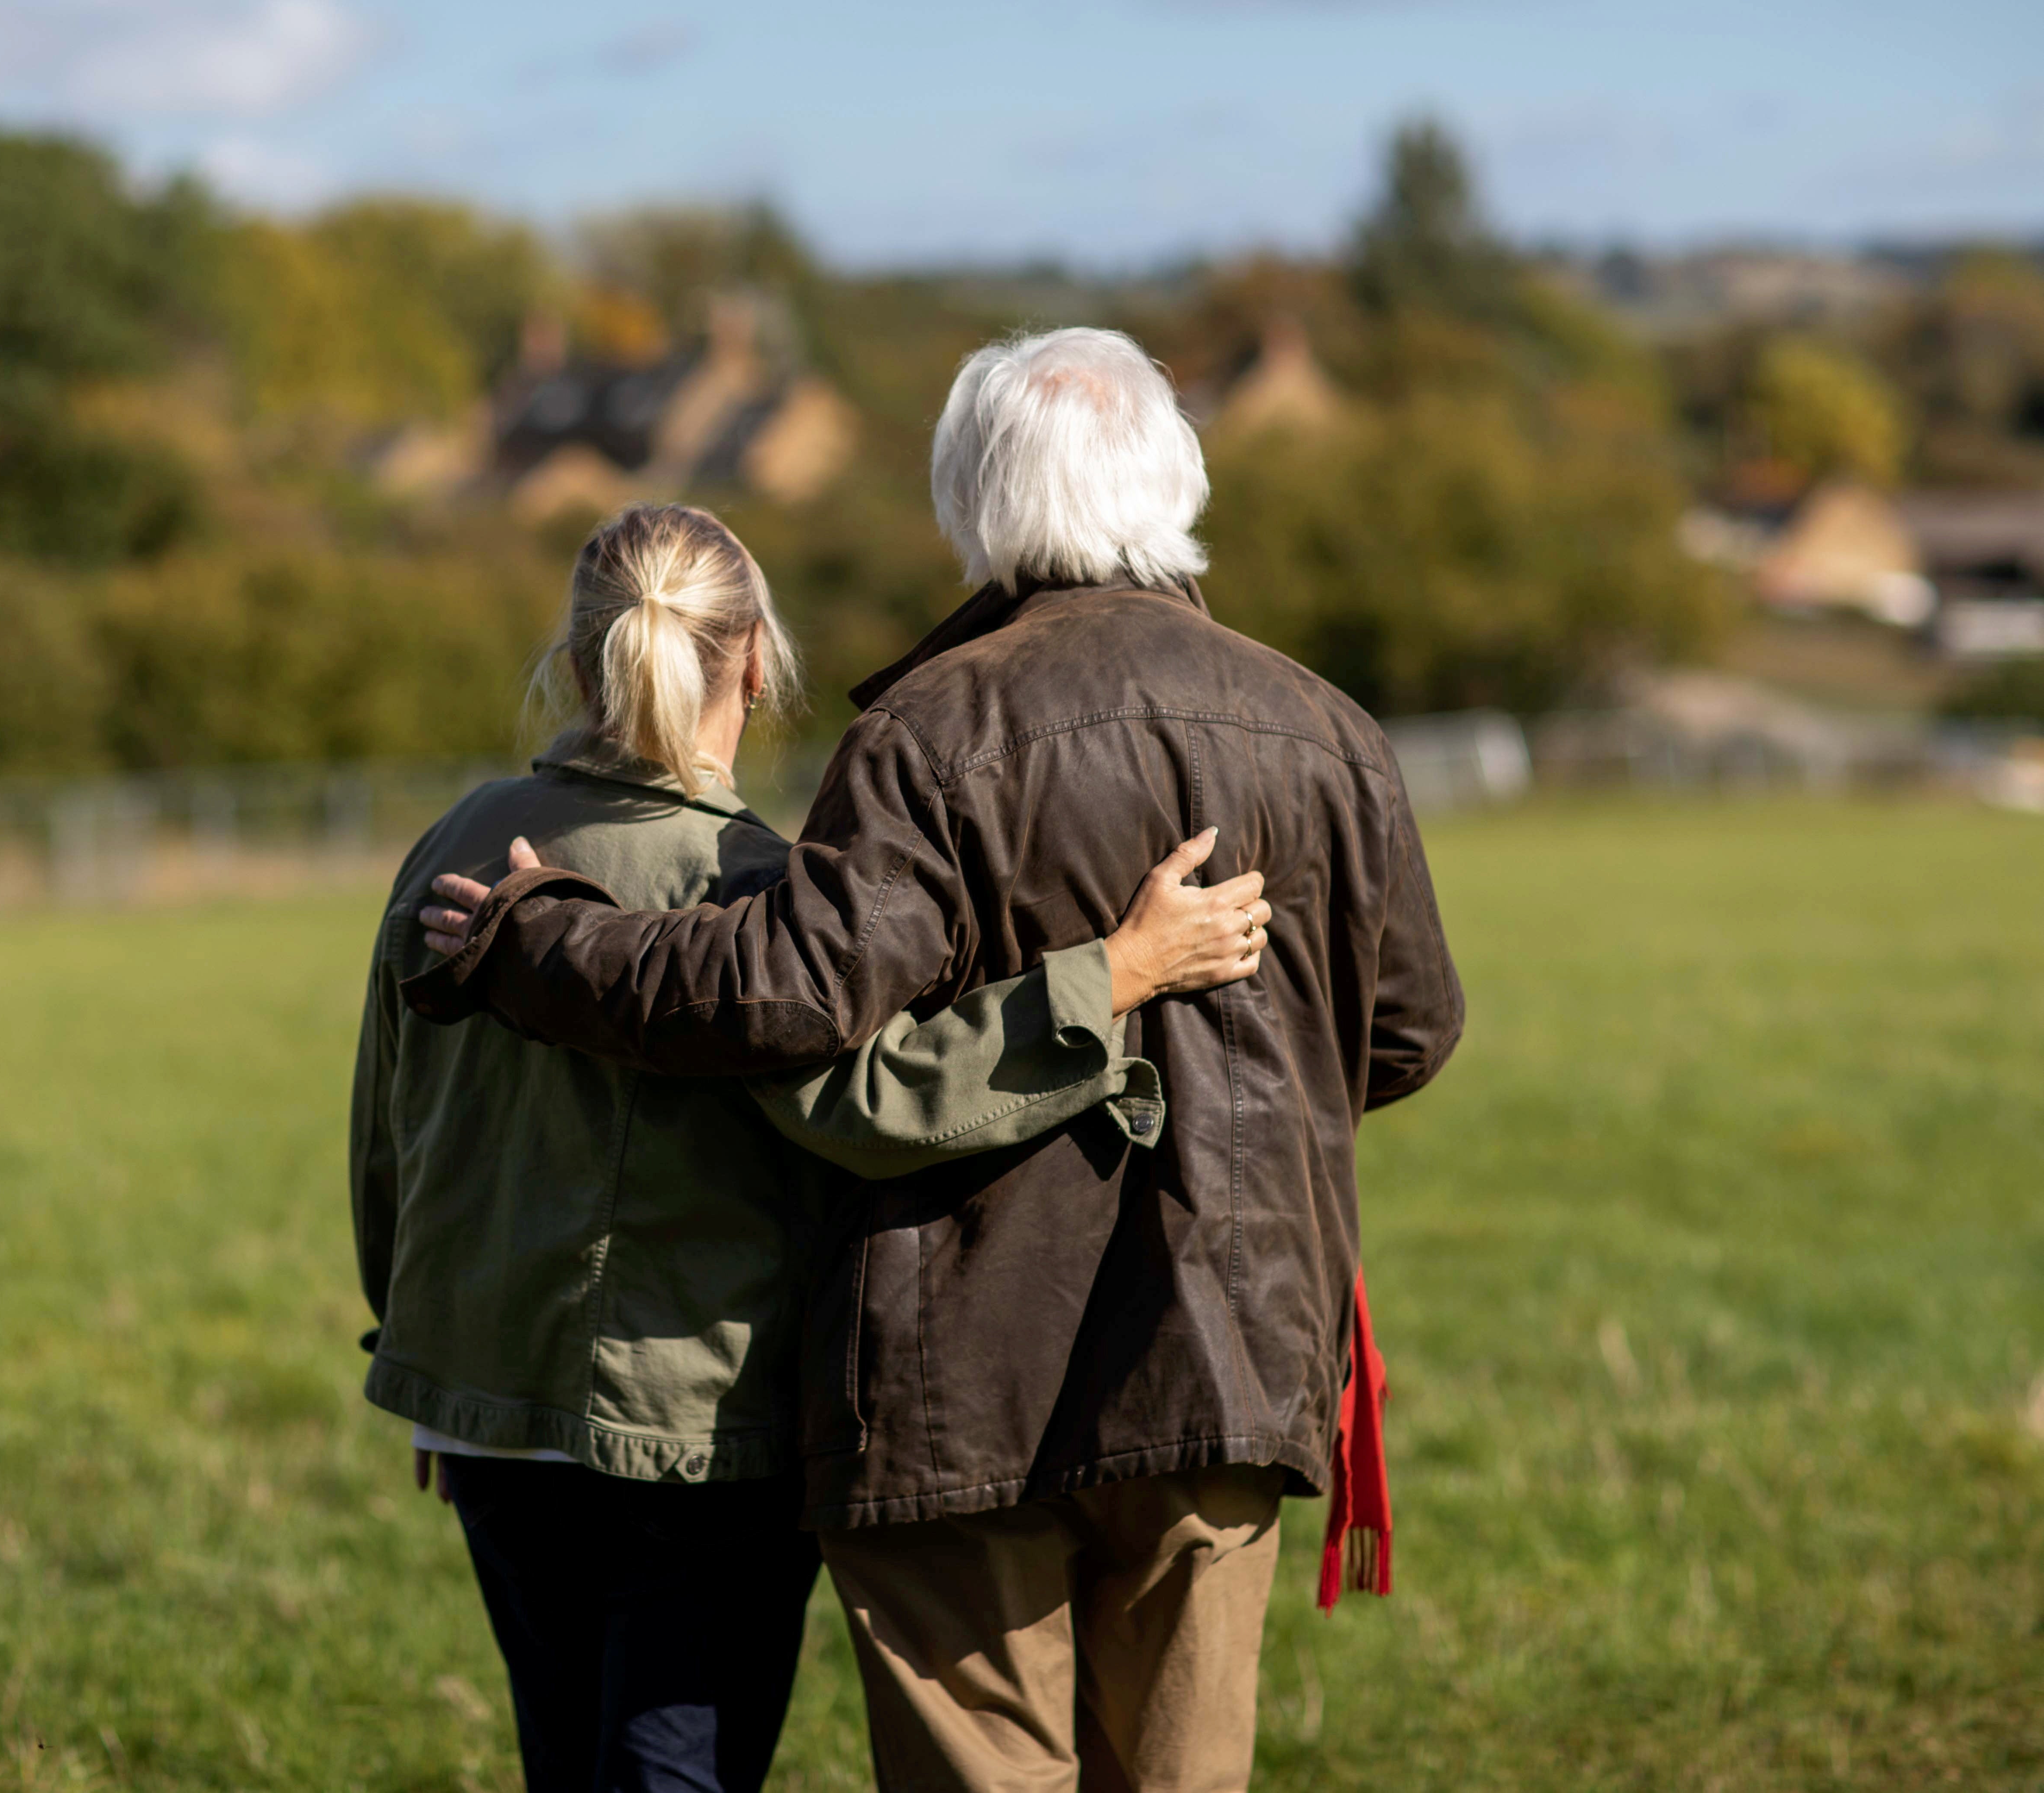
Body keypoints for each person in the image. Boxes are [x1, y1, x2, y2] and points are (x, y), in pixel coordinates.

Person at [406, 331, 1465, 1792]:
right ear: (1180, 479)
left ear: (967, 502)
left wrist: (538, 944)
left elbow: (785, 997)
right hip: (1230, 1344)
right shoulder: (1331, 731)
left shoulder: (928, 728)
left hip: (961, 1365)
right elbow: (1407, 1033)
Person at [355, 502, 1273, 1793]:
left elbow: (386, 1129)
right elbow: (870, 1103)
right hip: (696, 1421)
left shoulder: (450, 845)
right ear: (752, 661)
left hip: (482, 1394)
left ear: (573, 664)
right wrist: (1110, 980)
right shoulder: (752, 883)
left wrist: (421, 1352)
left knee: (567, 1761)